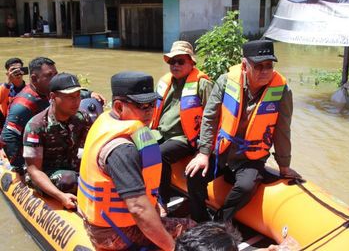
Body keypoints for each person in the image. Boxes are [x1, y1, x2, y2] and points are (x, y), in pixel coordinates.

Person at [185, 40, 301, 222]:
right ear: (245, 65)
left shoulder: (282, 90)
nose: (265, 71)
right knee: (193, 175)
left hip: (250, 158)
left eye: (269, 66)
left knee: (246, 187)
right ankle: (199, 219)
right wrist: (204, 153)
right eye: (259, 66)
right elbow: (210, 117)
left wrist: (284, 165)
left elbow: (282, 129)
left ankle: (218, 222)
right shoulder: (225, 82)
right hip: (221, 151)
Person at [78, 72, 195, 251]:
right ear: (118, 106)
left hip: (108, 222)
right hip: (114, 232)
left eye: (152, 104)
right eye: (141, 105)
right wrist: (171, 248)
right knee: (193, 228)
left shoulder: (108, 121)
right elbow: (139, 209)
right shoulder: (122, 150)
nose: (149, 111)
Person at [1, 57, 105, 175]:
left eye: (56, 74)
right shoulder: (23, 105)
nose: (55, 79)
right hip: (33, 148)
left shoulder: (48, 90)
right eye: (49, 75)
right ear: (35, 78)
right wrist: (20, 169)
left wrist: (90, 93)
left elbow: (68, 92)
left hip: (52, 140)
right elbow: (8, 136)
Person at [152, 41, 213, 217]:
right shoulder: (166, 82)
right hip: (159, 132)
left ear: (191, 63)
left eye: (180, 61)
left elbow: (213, 116)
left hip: (185, 137)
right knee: (136, 146)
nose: (175, 65)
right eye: (172, 62)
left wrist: (205, 149)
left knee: (159, 154)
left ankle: (162, 201)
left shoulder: (202, 84)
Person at [23, 73, 91, 209]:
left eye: (78, 96)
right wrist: (61, 196)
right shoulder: (36, 126)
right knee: (69, 180)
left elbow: (89, 147)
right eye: (70, 97)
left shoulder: (81, 117)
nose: (76, 101)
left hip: (70, 165)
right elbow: (34, 170)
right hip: (46, 174)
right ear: (53, 97)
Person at [0, 58, 26, 130]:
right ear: (7, 73)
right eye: (13, 69)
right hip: (5, 124)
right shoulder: (2, 88)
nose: (17, 71)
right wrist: (7, 83)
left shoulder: (30, 89)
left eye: (19, 69)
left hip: (22, 124)